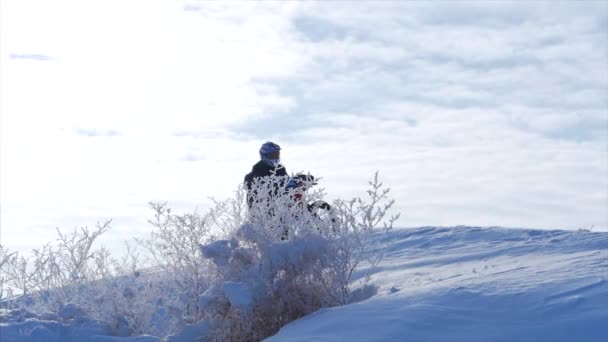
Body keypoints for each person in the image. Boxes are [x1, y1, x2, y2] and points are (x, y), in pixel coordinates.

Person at [244, 141, 288, 208]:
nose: (275, 158)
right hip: (265, 207)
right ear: (264, 155)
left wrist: (300, 180)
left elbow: (288, 182)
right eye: (272, 155)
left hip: (281, 203)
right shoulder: (259, 169)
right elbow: (263, 187)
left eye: (276, 154)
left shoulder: (280, 169)